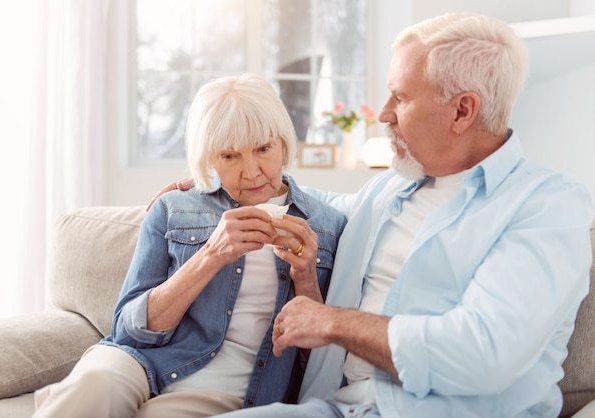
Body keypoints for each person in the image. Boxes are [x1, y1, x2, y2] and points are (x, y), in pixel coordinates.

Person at [152, 12, 594, 418]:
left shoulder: (545, 207)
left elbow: (483, 356)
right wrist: (220, 183)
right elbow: (310, 205)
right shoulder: (390, 189)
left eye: (400, 97)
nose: (383, 114)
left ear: (462, 110)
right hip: (336, 409)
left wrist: (332, 322)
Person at [32, 73, 346, 418]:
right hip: (137, 363)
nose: (251, 172)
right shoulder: (173, 208)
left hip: (224, 391)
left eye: (263, 149)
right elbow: (125, 331)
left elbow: (323, 365)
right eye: (229, 156)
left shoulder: (327, 225)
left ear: (283, 145)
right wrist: (211, 256)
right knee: (94, 385)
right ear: (209, 158)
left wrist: (305, 277)